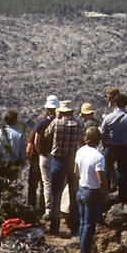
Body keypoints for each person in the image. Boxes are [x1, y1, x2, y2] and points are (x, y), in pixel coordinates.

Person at [74, 125, 108, 253]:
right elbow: (101, 180)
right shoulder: (99, 157)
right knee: (89, 226)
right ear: (99, 140)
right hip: (92, 192)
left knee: (82, 224)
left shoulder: (80, 151)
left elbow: (76, 171)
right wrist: (105, 193)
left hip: (81, 189)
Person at [47, 101, 83, 237]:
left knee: (56, 194)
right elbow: (82, 139)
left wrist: (56, 118)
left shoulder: (56, 122)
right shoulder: (79, 124)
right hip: (72, 159)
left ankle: (54, 227)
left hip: (58, 159)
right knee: (74, 194)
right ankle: (74, 227)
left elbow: (47, 133)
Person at [100, 91, 127, 204]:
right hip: (124, 147)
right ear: (125, 104)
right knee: (124, 171)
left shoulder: (108, 118)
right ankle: (124, 197)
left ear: (115, 103)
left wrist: (104, 145)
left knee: (106, 169)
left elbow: (103, 134)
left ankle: (106, 195)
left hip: (110, 147)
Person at [30, 95, 59, 220]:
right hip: (56, 155)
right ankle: (57, 207)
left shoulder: (41, 123)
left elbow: (36, 141)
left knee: (46, 182)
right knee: (57, 182)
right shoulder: (59, 122)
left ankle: (48, 209)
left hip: (44, 155)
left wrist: (40, 153)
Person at [0, 109, 26, 185]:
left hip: (0, 163)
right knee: (12, 185)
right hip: (14, 164)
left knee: (0, 183)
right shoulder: (19, 134)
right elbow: (22, 153)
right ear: (15, 120)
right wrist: (22, 165)